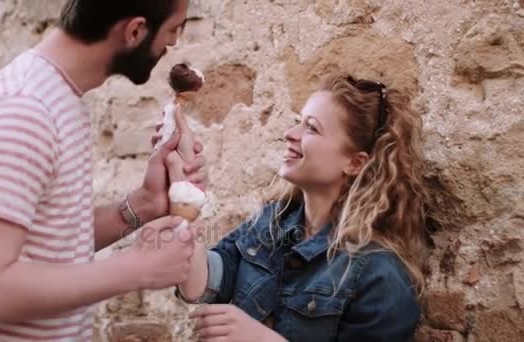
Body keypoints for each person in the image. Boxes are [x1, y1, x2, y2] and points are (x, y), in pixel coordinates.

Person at [0, 0, 204, 341]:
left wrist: (144, 203)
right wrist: (137, 269)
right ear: (135, 30)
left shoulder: (57, 98)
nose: (174, 44)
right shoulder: (24, 112)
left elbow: (48, 241)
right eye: (172, 30)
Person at [175, 73, 429, 342]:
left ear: (355, 163)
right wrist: (183, 187)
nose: (289, 134)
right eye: (298, 122)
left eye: (312, 128)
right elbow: (200, 285)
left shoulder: (380, 274)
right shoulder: (270, 223)